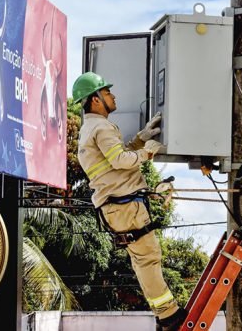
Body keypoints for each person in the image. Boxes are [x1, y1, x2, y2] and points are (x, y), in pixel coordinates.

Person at [72, 72, 187, 331]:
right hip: (125, 205)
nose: (113, 96)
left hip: (117, 206)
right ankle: (169, 316)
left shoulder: (91, 128)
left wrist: (141, 138)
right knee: (148, 258)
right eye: (107, 92)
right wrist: (147, 152)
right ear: (95, 99)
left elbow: (117, 154)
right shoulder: (100, 127)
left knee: (142, 260)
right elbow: (121, 161)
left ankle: (163, 314)